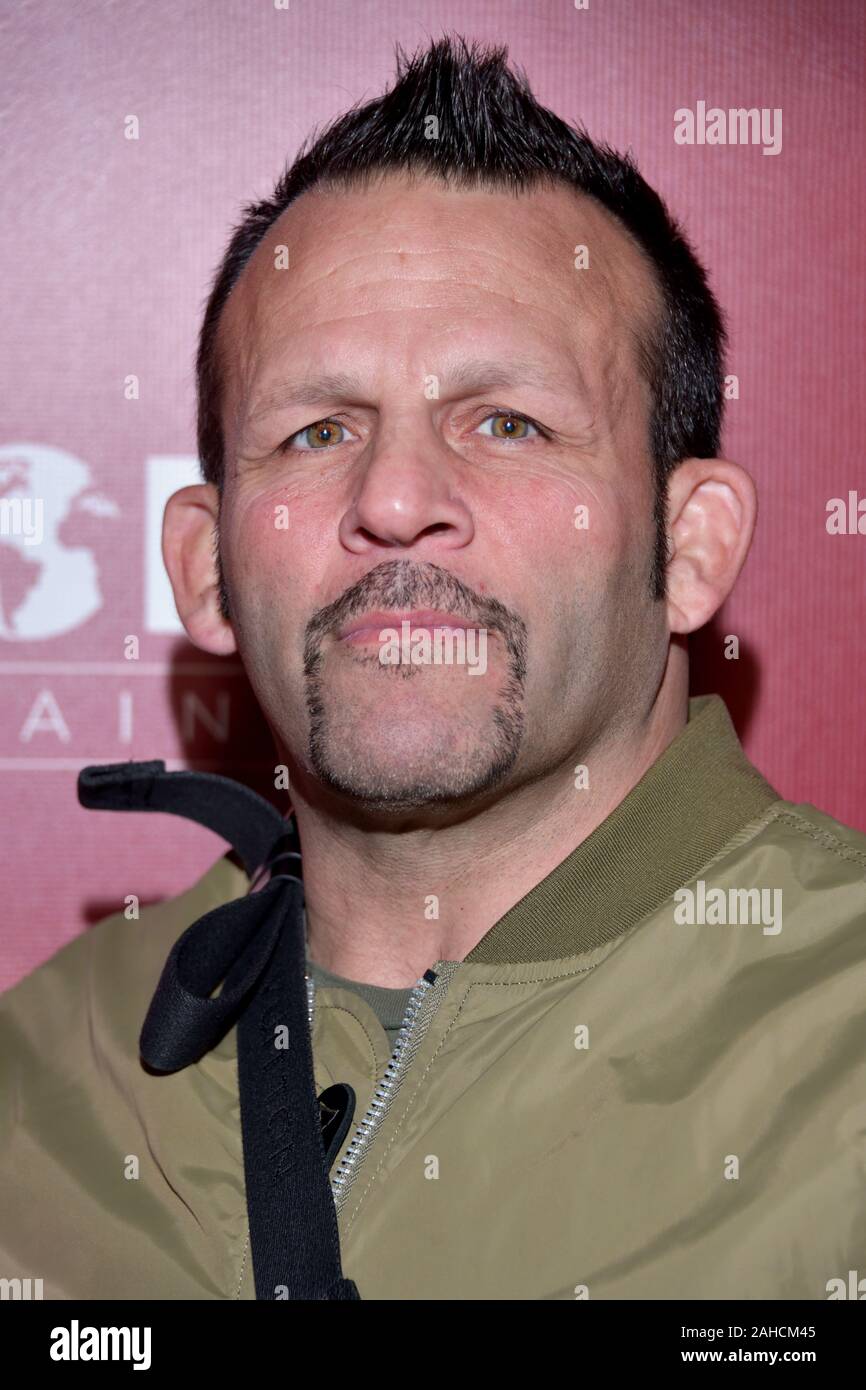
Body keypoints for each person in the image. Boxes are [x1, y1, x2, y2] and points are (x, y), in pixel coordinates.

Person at [2, 34, 864, 1302]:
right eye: (317, 429)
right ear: (203, 566)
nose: (395, 499)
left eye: (505, 422)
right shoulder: (36, 1077)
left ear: (687, 546)